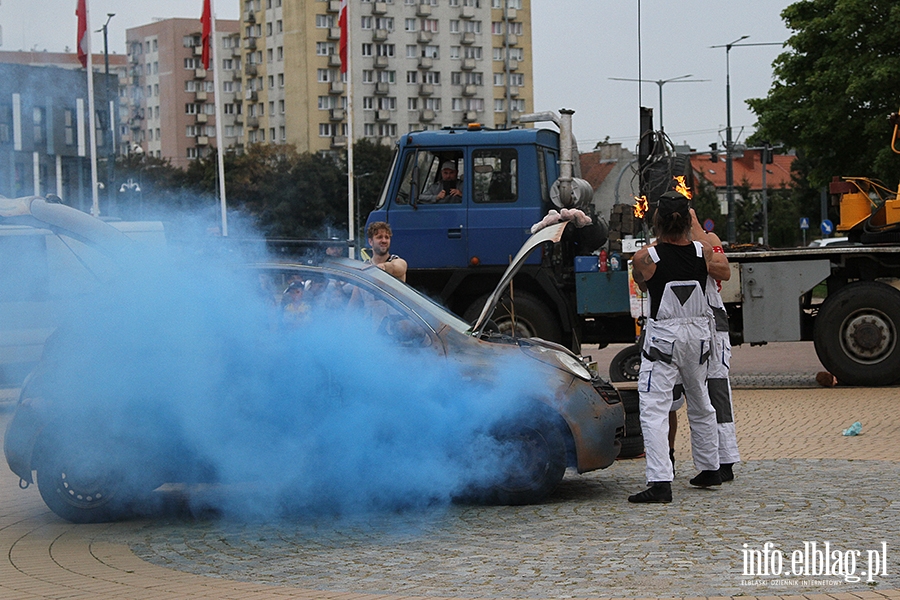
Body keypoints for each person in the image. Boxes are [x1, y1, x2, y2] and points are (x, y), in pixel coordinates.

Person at [627, 190, 727, 504]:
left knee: (654, 408)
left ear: (657, 220)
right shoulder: (703, 252)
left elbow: (641, 282)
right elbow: (715, 265)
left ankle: (660, 481)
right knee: (701, 401)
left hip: (664, 338)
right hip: (698, 336)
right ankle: (710, 467)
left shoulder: (646, 256)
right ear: (687, 220)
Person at [668, 209, 740, 482]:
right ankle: (667, 459)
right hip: (674, 323)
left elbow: (724, 270)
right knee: (666, 398)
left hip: (710, 321)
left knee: (716, 390)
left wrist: (695, 232)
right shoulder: (661, 245)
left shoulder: (708, 239)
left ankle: (724, 460)